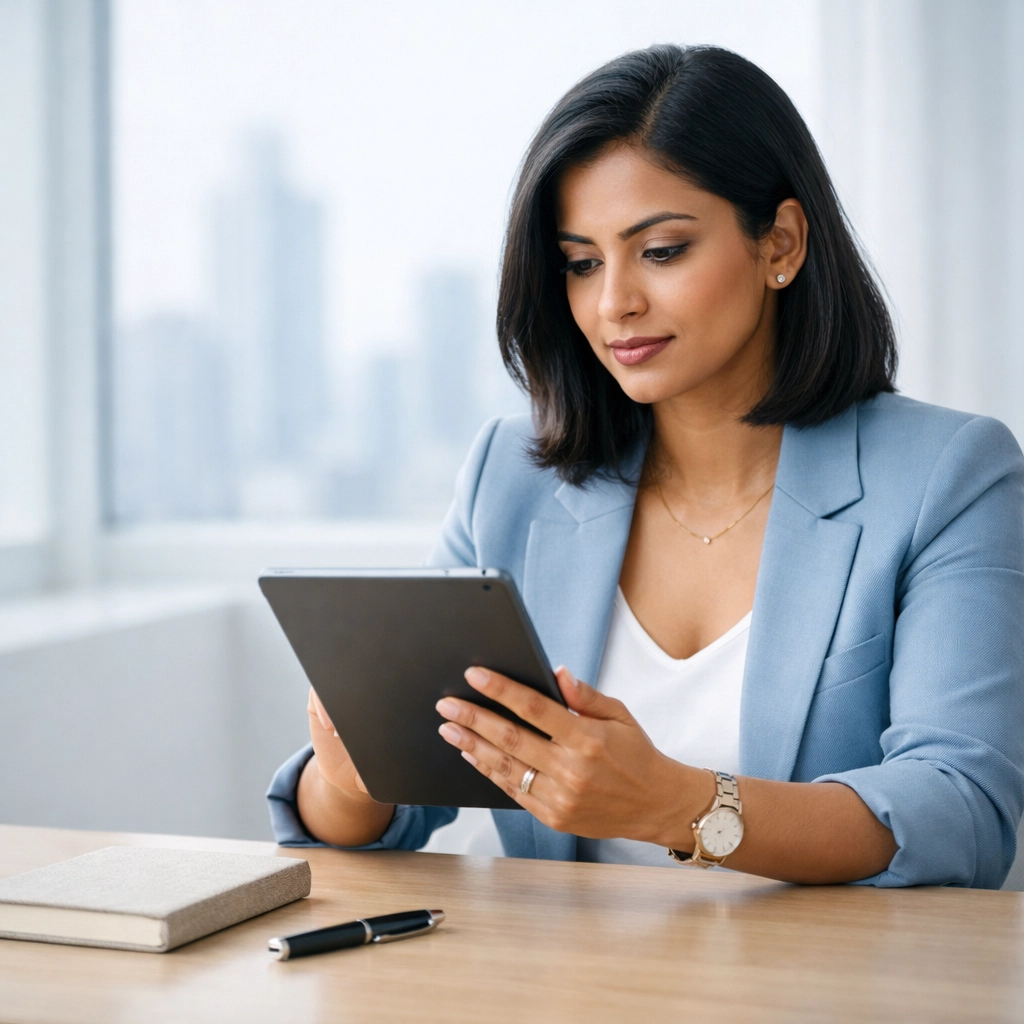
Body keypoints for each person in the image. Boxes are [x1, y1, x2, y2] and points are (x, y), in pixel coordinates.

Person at [268, 44, 1024, 887]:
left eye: (660, 250)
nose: (613, 303)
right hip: (558, 963)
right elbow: (395, 806)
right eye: (582, 263)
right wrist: (349, 780)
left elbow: (962, 812)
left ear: (780, 243)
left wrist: (676, 806)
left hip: (812, 965)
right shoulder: (509, 475)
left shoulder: (951, 476)